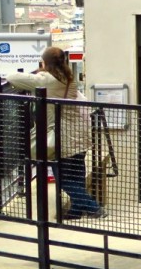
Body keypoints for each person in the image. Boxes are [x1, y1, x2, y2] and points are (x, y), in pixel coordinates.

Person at [7, 47, 105, 219]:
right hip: (79, 133)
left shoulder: (46, 79)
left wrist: (39, 72)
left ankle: (94, 208)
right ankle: (75, 212)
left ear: (45, 63)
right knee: (77, 176)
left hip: (62, 136)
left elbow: (12, 77)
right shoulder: (69, 78)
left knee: (64, 180)